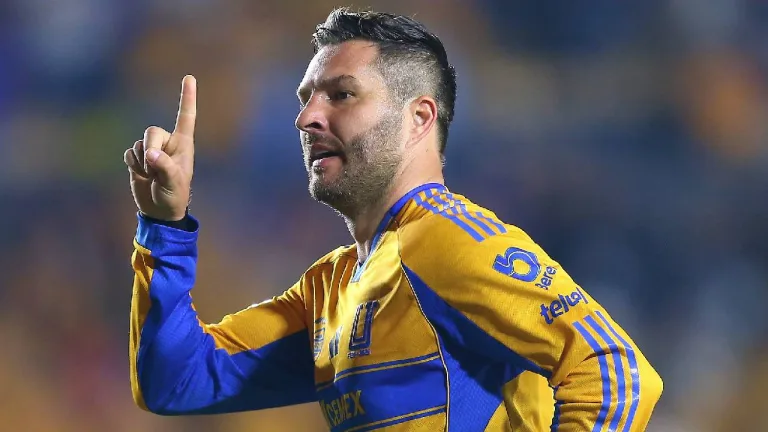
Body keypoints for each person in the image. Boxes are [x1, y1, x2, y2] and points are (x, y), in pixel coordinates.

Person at [124, 8, 663, 431]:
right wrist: (164, 226)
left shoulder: (450, 242)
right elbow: (176, 381)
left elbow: (614, 372)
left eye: (341, 95)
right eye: (307, 99)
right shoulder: (330, 288)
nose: (307, 117)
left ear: (419, 117)